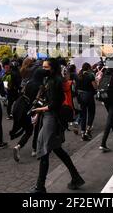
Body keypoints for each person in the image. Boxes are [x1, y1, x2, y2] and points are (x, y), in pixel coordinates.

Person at [30, 58, 84, 193]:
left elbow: (54, 105)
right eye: (42, 67)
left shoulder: (55, 81)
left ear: (53, 68)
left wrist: (38, 111)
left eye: (46, 67)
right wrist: (38, 112)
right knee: (57, 149)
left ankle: (40, 187)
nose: (43, 69)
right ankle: (76, 177)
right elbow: (44, 99)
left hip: (52, 119)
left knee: (44, 150)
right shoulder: (49, 80)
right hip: (50, 118)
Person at [11, 67, 47, 162]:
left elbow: (22, 92)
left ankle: (19, 146)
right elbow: (39, 99)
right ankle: (33, 148)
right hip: (32, 108)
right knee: (34, 129)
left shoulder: (29, 82)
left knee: (28, 129)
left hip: (20, 106)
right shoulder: (41, 86)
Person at [76, 62, 97, 141]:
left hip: (80, 96)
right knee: (91, 112)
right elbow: (95, 86)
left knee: (83, 114)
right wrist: (97, 83)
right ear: (88, 68)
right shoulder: (90, 75)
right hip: (89, 95)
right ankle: (88, 130)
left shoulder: (79, 75)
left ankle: (82, 132)